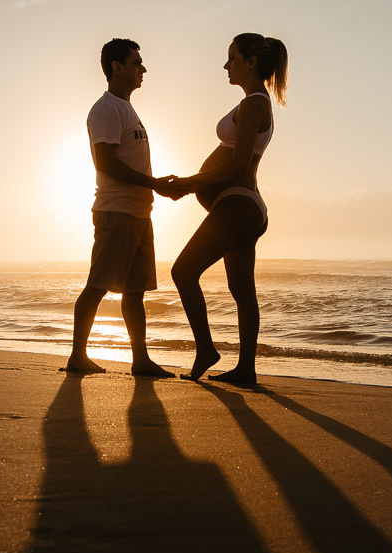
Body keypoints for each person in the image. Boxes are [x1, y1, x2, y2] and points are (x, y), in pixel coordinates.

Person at [165, 33, 288, 384]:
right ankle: (246, 370)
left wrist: (190, 182)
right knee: (241, 290)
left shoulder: (254, 105)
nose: (226, 65)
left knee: (183, 271)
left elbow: (236, 166)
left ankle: (206, 350)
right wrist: (195, 186)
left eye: (232, 57)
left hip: (238, 204)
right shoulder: (254, 102)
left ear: (251, 62)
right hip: (242, 206)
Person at [66, 38, 178, 377]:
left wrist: (154, 188)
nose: (142, 69)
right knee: (98, 283)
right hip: (116, 210)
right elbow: (106, 163)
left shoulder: (127, 109)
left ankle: (140, 359)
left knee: (135, 291)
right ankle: (78, 355)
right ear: (116, 67)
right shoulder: (107, 108)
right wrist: (155, 184)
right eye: (136, 62)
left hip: (140, 212)